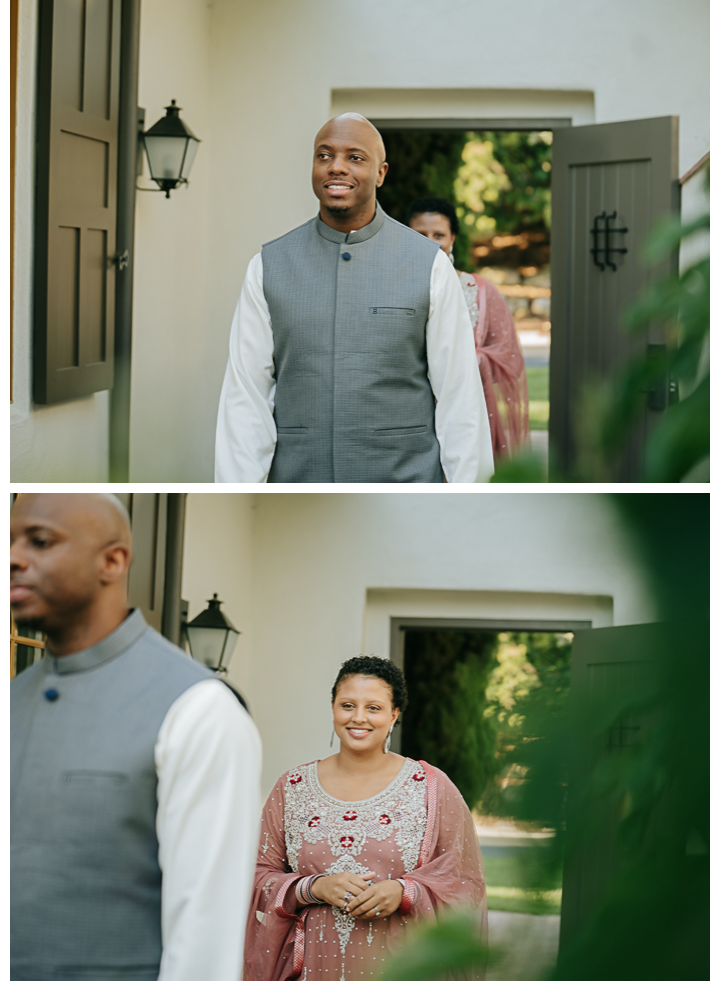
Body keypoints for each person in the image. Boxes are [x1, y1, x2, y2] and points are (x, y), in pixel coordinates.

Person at [10, 493, 262, 981]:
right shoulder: (13, 698)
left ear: (113, 560)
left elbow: (204, 937)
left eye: (39, 541)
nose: (14, 558)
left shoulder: (200, 710)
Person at [215, 113, 494, 483]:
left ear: (381, 173)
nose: (337, 168)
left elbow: (460, 397)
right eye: (324, 155)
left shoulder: (429, 265)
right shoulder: (267, 265)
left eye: (355, 157)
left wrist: (466, 495)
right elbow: (246, 396)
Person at [244, 655, 486, 981]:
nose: (359, 718)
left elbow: (464, 883)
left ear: (394, 714)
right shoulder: (292, 787)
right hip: (312, 968)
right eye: (347, 705)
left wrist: (405, 893)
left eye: (373, 707)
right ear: (333, 708)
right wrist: (313, 888)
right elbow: (256, 877)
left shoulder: (430, 787)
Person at [409, 197, 529, 459]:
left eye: (438, 234)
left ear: (452, 238)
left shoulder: (481, 291)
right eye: (420, 234)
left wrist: (467, 360)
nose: (431, 242)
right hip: (411, 418)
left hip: (469, 413)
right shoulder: (395, 293)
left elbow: (508, 358)